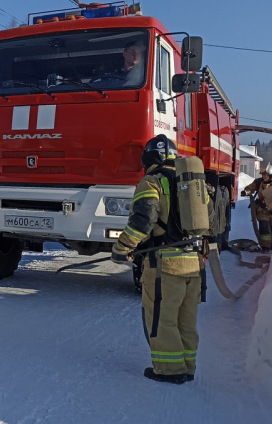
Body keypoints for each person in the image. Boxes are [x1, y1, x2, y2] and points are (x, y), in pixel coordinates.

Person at [111, 134, 205, 385]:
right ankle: (188, 367)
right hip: (194, 263)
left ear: (149, 159)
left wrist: (123, 247)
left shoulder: (151, 182)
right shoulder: (193, 183)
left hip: (165, 265)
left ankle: (169, 370)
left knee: (161, 319)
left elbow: (143, 222)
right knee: (186, 320)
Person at [242, 164, 272, 252]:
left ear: (271, 175)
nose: (264, 177)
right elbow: (250, 188)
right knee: (264, 228)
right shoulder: (258, 182)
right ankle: (265, 247)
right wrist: (246, 192)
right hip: (262, 211)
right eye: (263, 175)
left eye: (266, 175)